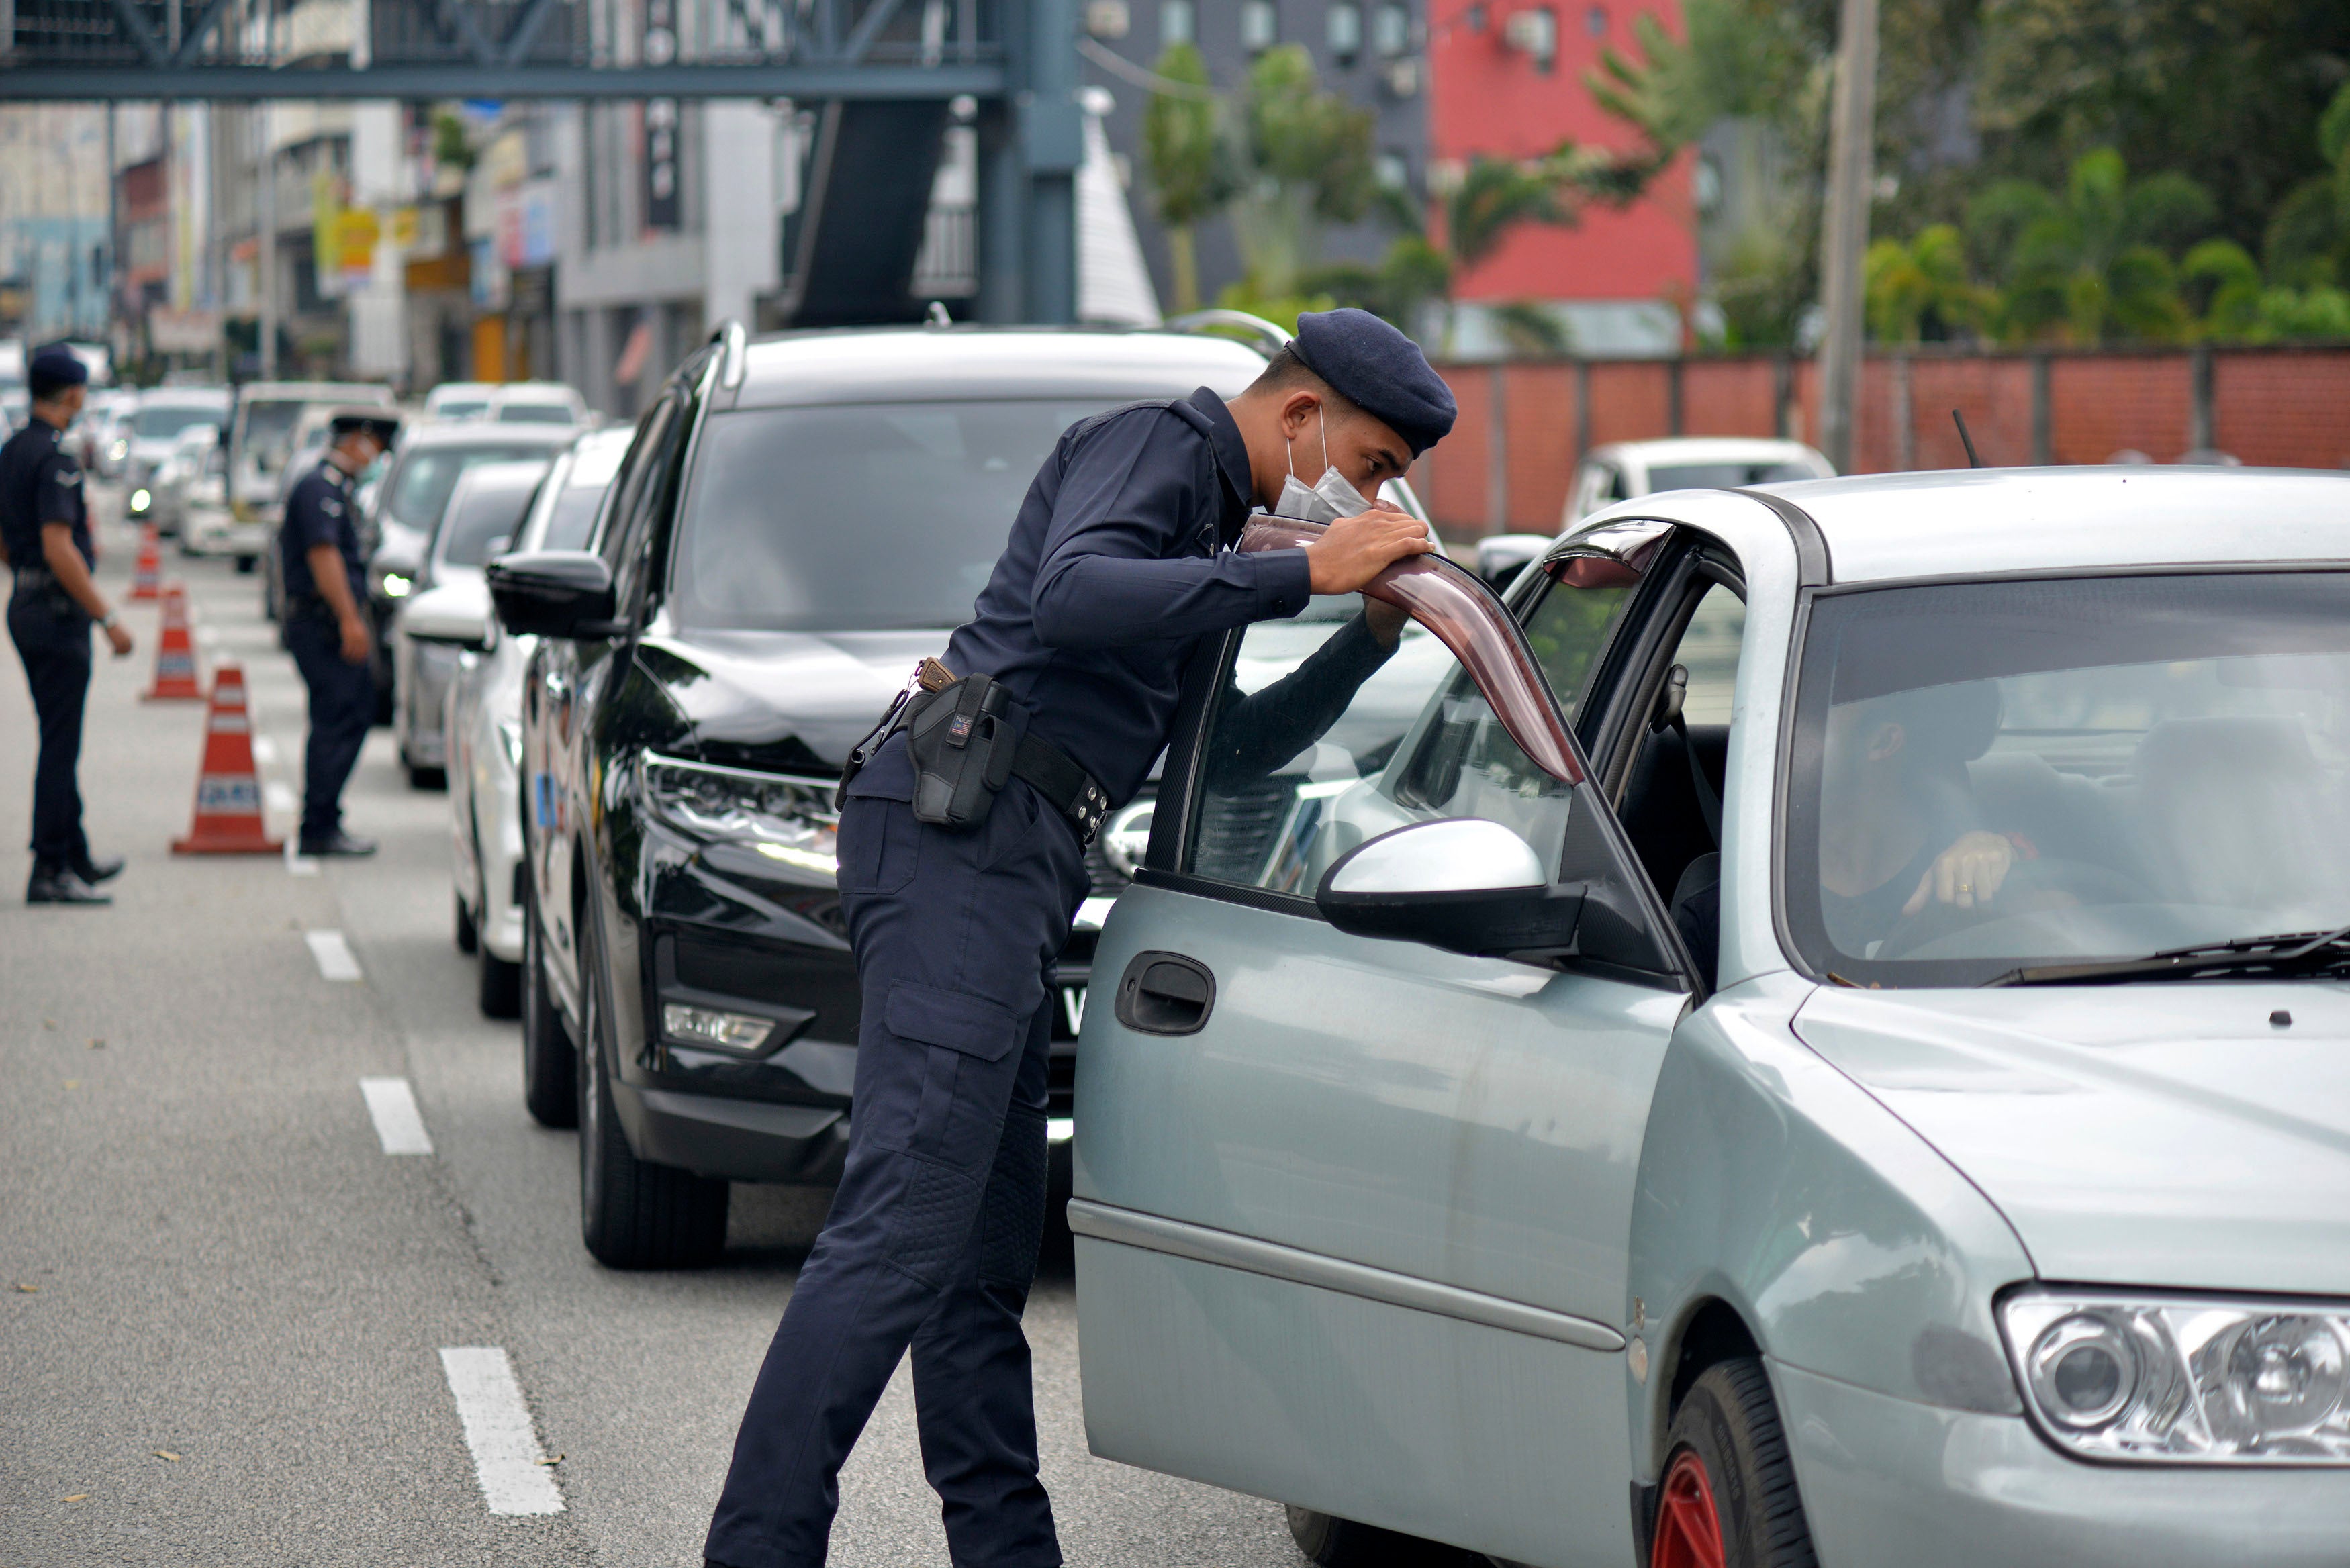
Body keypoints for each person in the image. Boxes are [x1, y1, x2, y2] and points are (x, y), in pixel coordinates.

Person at [703, 309, 1457, 1568]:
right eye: (1373, 464)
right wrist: (1301, 574)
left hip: (1009, 860)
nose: (1369, 493)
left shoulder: (1217, 531)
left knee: (973, 1264)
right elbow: (1075, 591)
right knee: (900, 1230)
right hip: (963, 840)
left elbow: (1240, 747)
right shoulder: (1162, 447)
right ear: (1301, 414)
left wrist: (1358, 637)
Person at [1, 345, 134, 905]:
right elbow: (60, 547)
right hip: (57, 614)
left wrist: (27, 574)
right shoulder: (57, 459)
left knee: (58, 736)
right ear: (74, 394)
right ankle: (49, 868)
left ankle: (72, 851)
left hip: (27, 605)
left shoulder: (11, 450)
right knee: (60, 745)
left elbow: (6, 539)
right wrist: (106, 615)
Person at [280, 410, 397, 858]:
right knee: (338, 714)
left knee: (351, 710)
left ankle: (324, 819)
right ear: (357, 440)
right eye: (377, 448)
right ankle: (319, 825)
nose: (378, 458)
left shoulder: (339, 490)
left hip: (328, 620)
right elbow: (324, 555)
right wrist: (350, 619)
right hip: (321, 622)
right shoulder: (319, 488)